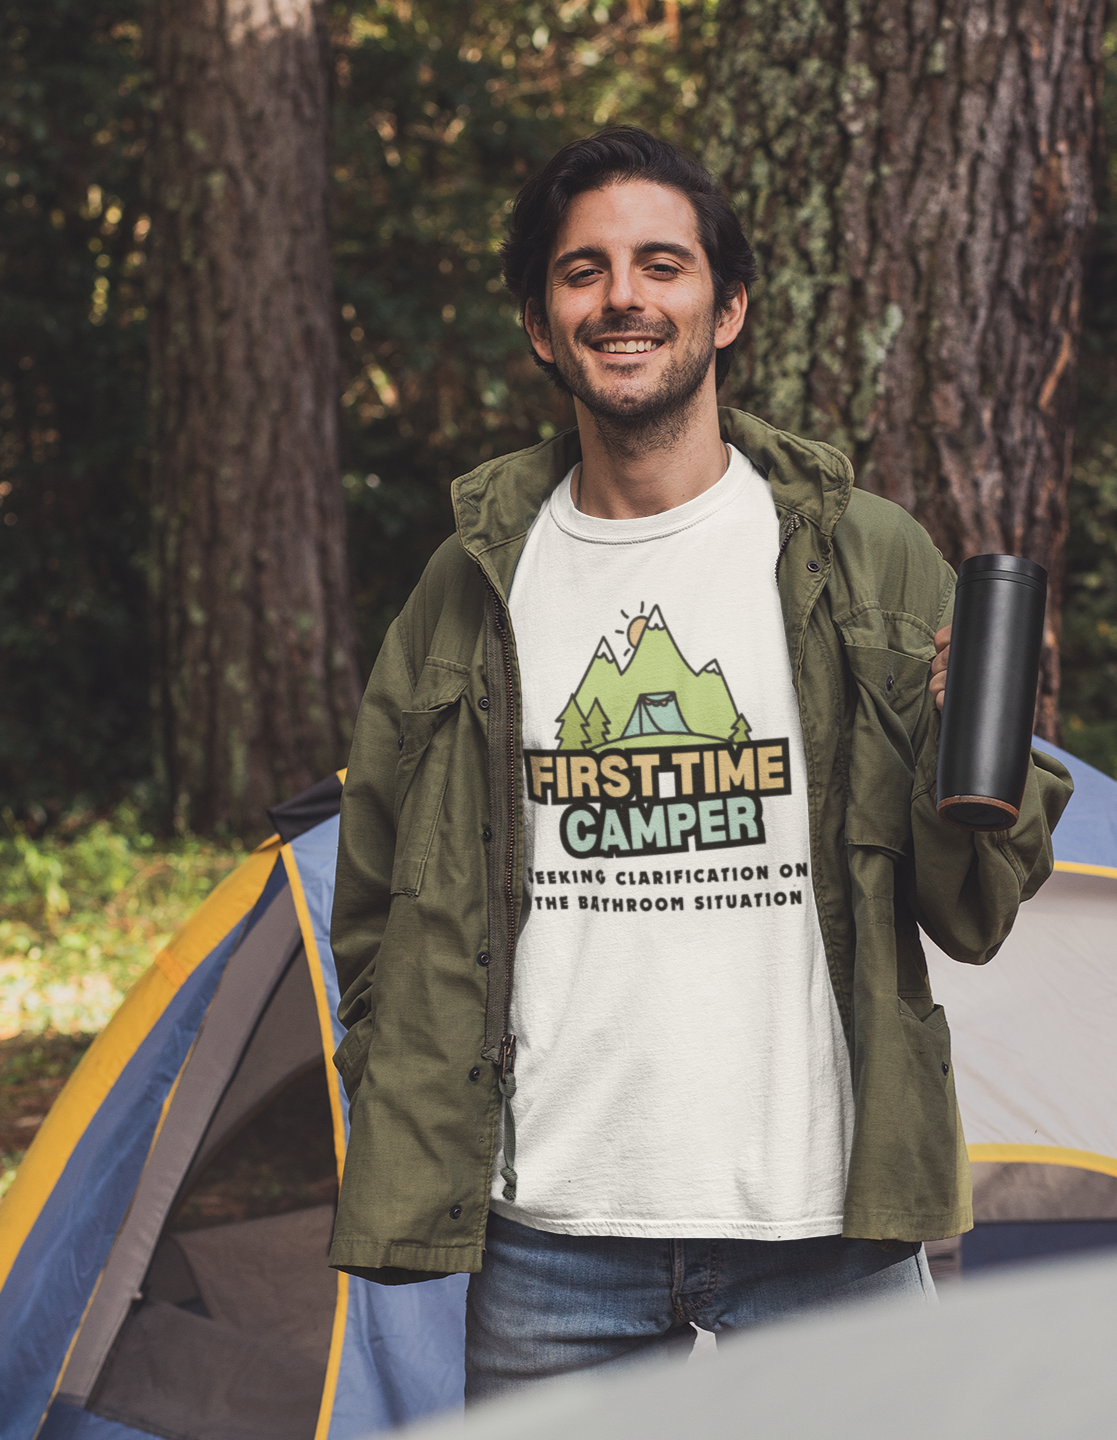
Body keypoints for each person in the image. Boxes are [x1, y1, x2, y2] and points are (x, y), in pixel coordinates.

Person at [328, 126, 1072, 1402]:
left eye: (660, 264)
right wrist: (410, 1095)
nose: (623, 296)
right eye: (584, 272)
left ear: (725, 310)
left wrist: (970, 752)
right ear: (540, 325)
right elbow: (376, 897)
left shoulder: (869, 558)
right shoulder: (468, 584)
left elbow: (979, 905)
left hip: (830, 1230)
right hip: (553, 1240)